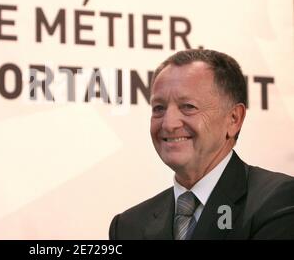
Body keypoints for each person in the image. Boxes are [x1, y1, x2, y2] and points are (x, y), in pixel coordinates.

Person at [109, 49, 294, 240]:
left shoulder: (279, 202)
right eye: (159, 108)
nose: (168, 123)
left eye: (188, 107)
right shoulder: (127, 226)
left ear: (233, 119)